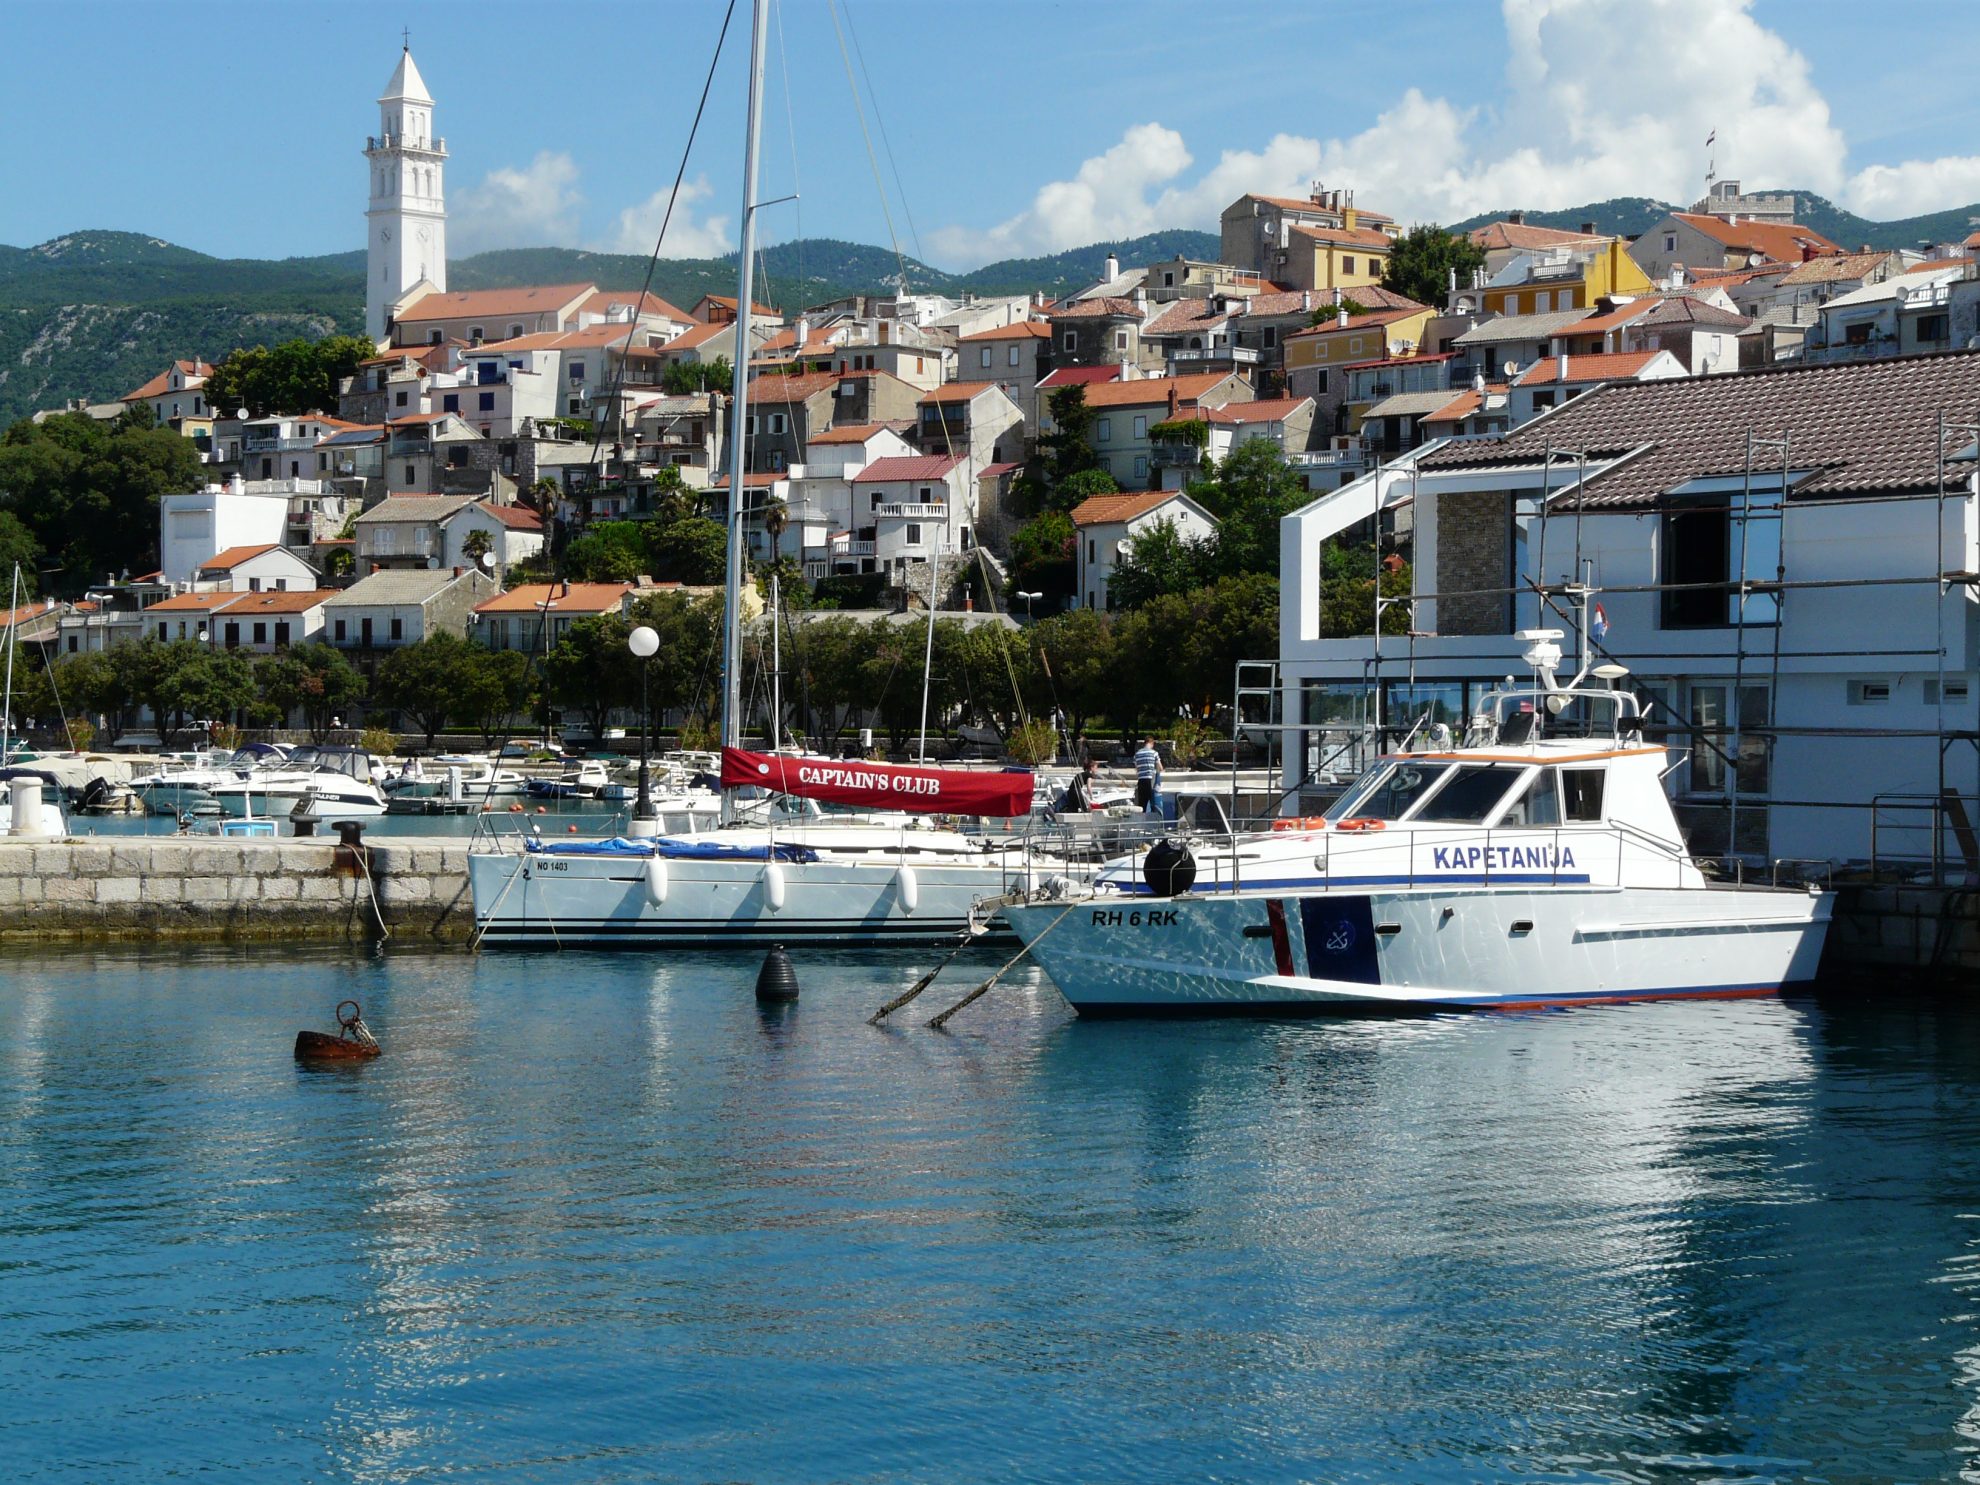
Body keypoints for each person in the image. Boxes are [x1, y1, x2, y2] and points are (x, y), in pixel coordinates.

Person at [1133, 736, 1161, 813]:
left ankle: (1142, 822)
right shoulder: (1154, 753)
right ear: (1152, 743)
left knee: (1142, 805)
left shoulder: (1137, 754)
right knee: (1154, 804)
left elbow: (1137, 769)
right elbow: (1160, 767)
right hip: (1150, 781)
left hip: (1141, 781)